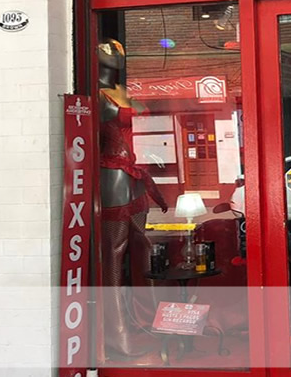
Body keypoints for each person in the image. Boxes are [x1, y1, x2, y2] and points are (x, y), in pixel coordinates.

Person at [97, 38, 168, 358]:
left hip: (134, 176)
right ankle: (116, 336)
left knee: (145, 247)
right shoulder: (97, 94)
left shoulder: (122, 91)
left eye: (120, 50)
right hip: (112, 177)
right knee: (114, 254)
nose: (118, 55)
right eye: (109, 50)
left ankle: (150, 321)